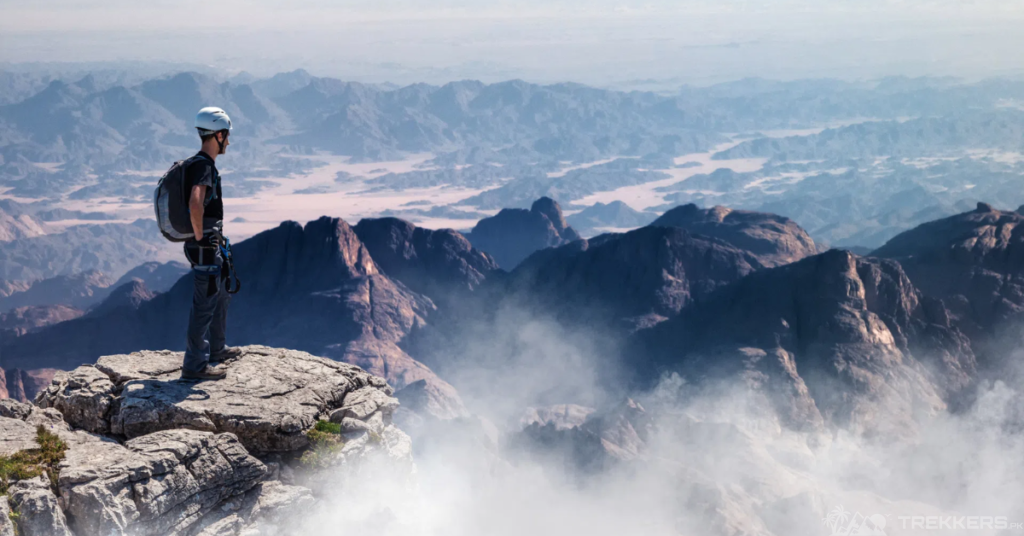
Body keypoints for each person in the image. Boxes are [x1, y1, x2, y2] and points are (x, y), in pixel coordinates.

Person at [181, 107, 242, 380]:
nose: (228, 142)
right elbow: (196, 202)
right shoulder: (204, 166)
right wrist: (200, 238)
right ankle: (194, 367)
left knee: (220, 297)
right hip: (205, 247)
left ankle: (216, 350)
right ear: (218, 135)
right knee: (204, 306)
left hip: (210, 245)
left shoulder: (196, 164)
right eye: (226, 136)